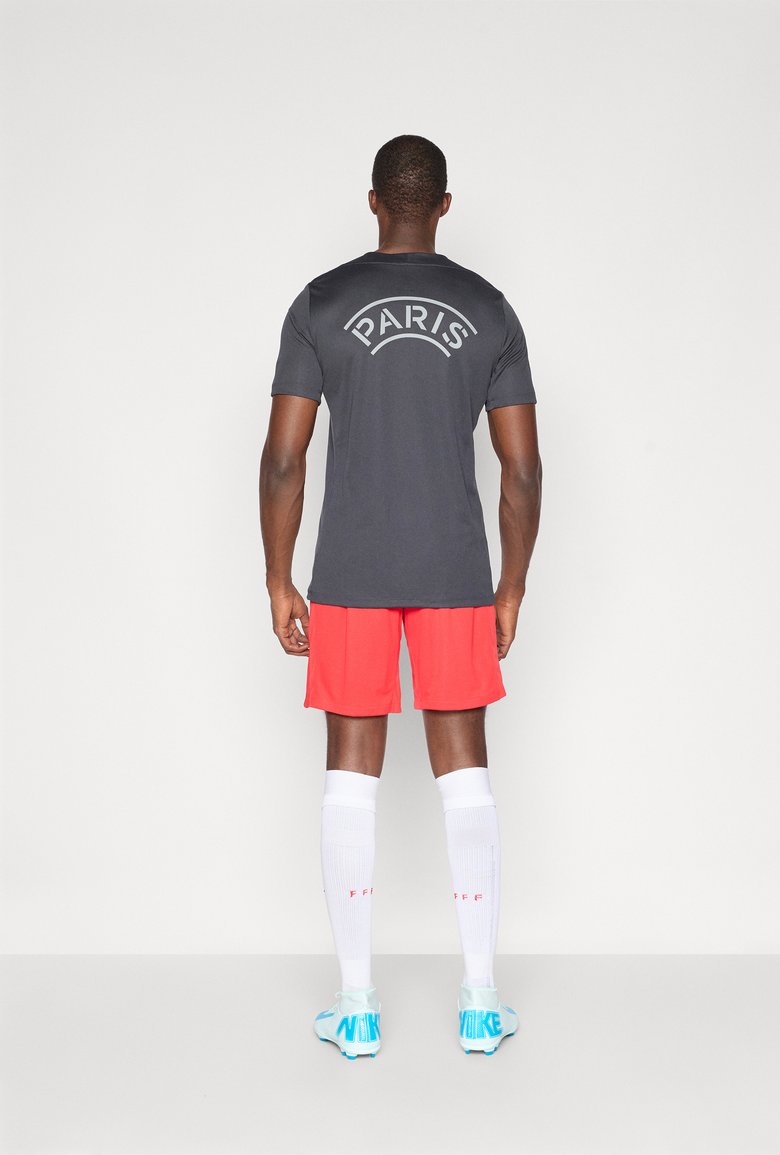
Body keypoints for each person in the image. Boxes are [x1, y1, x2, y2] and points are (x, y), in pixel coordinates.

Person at [259, 134, 542, 1060]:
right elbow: (522, 470)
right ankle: (481, 1002)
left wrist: (277, 574)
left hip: (351, 571)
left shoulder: (322, 303)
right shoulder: (489, 310)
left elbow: (285, 457)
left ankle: (357, 1007)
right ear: (444, 206)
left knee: (350, 772)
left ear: (375, 201)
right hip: (455, 570)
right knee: (466, 773)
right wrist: (511, 585)